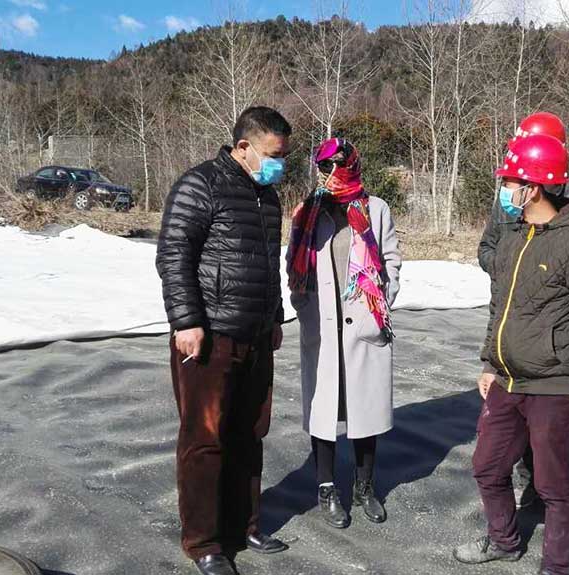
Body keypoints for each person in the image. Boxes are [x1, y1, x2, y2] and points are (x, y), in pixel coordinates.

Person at [454, 134, 569, 575]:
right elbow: (501, 307)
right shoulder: (512, 237)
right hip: (507, 380)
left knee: (554, 485)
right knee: (488, 467)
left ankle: (557, 567)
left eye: (509, 182)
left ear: (531, 188)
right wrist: (489, 362)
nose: (503, 190)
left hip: (556, 384)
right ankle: (504, 541)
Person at [155, 107, 292, 575]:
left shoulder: (267, 196)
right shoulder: (200, 185)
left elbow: (268, 264)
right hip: (209, 337)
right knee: (205, 440)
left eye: (284, 156)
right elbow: (174, 255)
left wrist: (274, 317)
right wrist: (186, 321)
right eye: (273, 155)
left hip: (255, 335)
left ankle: (243, 525)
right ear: (243, 147)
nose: (279, 164)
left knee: (249, 433)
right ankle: (204, 542)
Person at [477, 111, 569, 515]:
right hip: (517, 317)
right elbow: (487, 247)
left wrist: (559, 262)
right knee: (515, 426)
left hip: (561, 327)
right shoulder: (511, 192)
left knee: (567, 428)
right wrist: (509, 266)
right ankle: (533, 488)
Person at [287, 138, 401, 529]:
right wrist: (303, 308)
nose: (330, 172)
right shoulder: (307, 212)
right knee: (324, 413)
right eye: (323, 166)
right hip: (322, 325)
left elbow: (390, 260)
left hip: (363, 322)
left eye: (337, 164)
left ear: (351, 164)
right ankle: (326, 488)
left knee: (363, 411)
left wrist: (379, 303)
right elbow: (293, 263)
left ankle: (364, 487)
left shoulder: (375, 209)